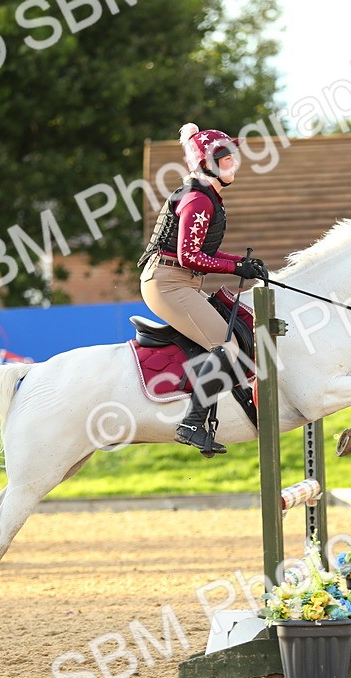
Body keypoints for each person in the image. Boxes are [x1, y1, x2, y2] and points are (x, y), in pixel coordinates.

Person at [138, 123, 267, 457]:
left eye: (232, 158)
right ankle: (192, 423)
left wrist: (239, 262)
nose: (232, 164)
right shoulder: (198, 199)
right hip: (168, 284)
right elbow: (190, 256)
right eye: (224, 159)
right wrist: (235, 267)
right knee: (228, 347)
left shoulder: (205, 194)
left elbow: (201, 253)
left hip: (179, 281)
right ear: (206, 163)